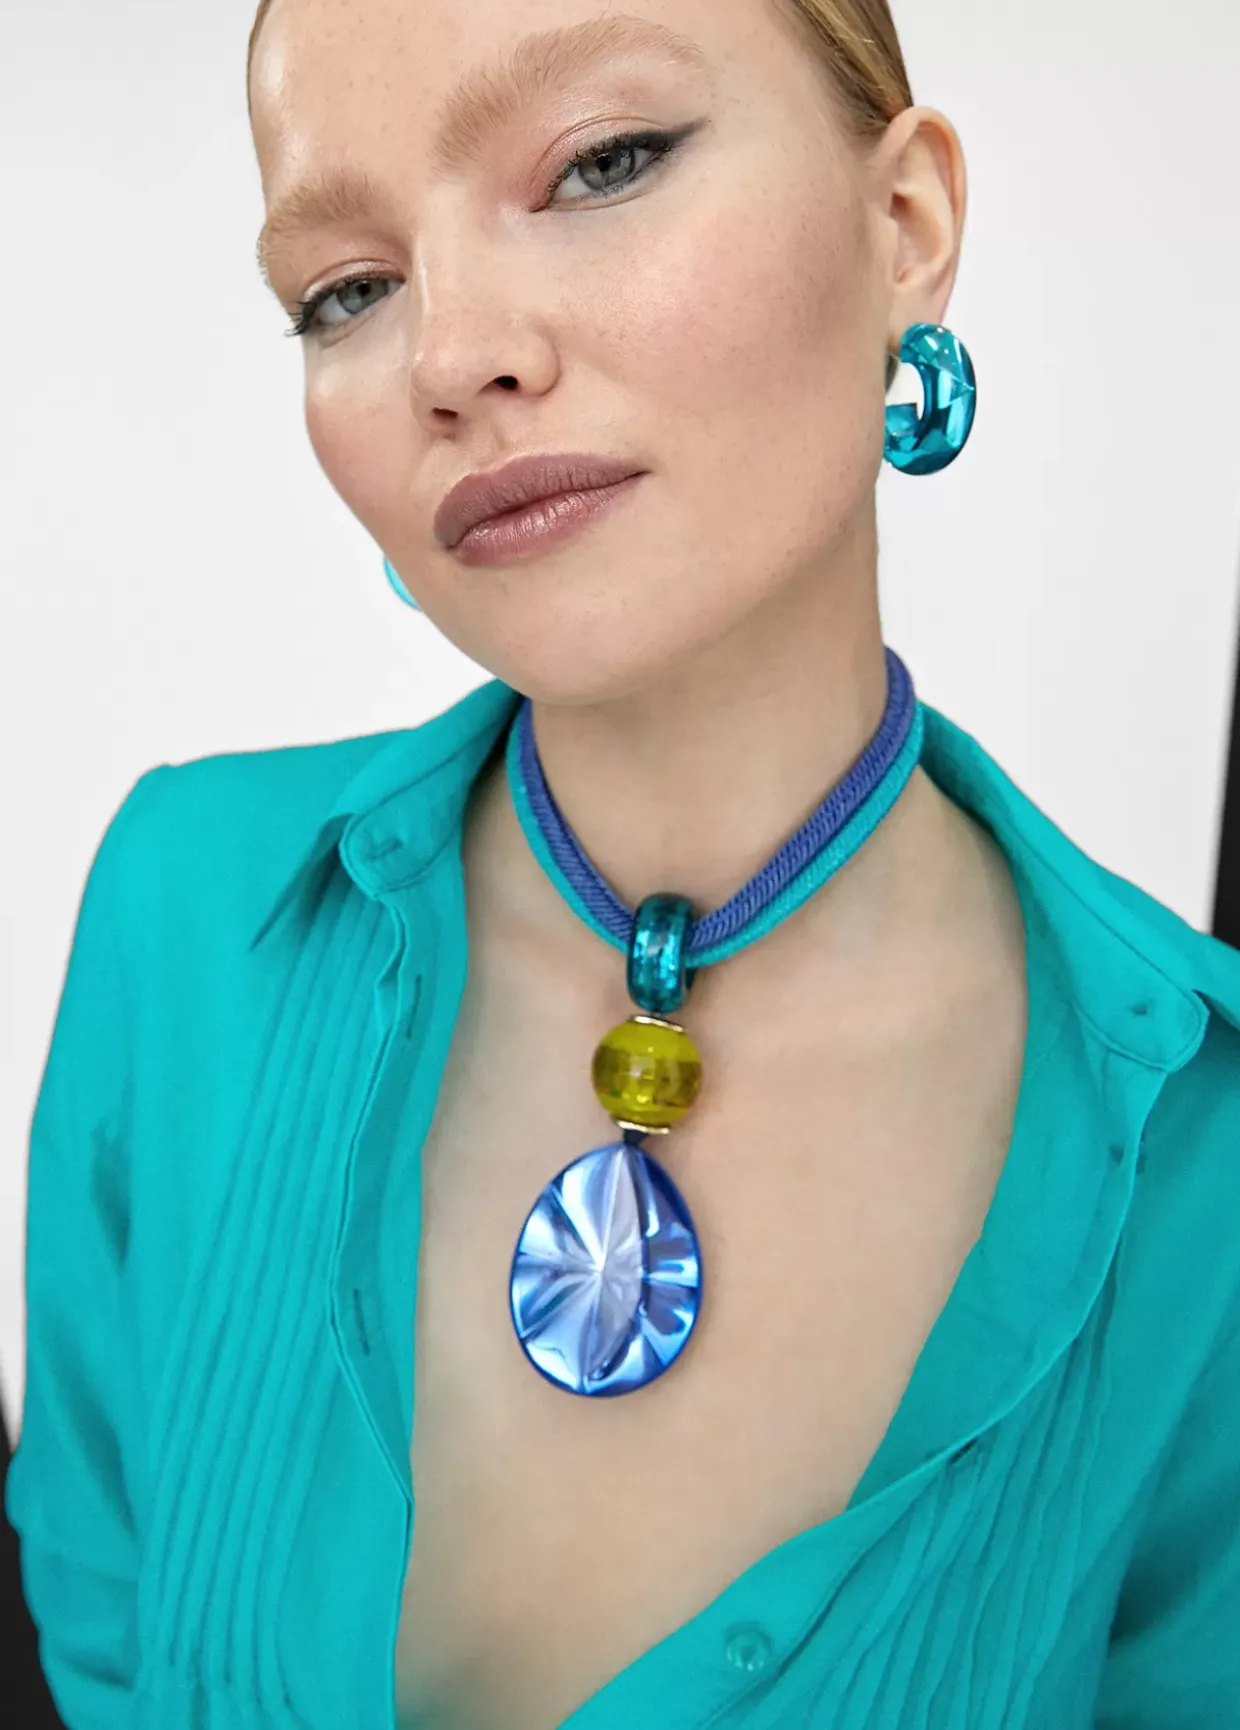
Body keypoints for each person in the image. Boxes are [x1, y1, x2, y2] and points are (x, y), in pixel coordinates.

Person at [7, 0, 1240, 1726]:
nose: (452, 355)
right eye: (347, 290)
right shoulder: (185, 913)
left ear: (905, 228)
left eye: (603, 163)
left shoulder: (1202, 1147)